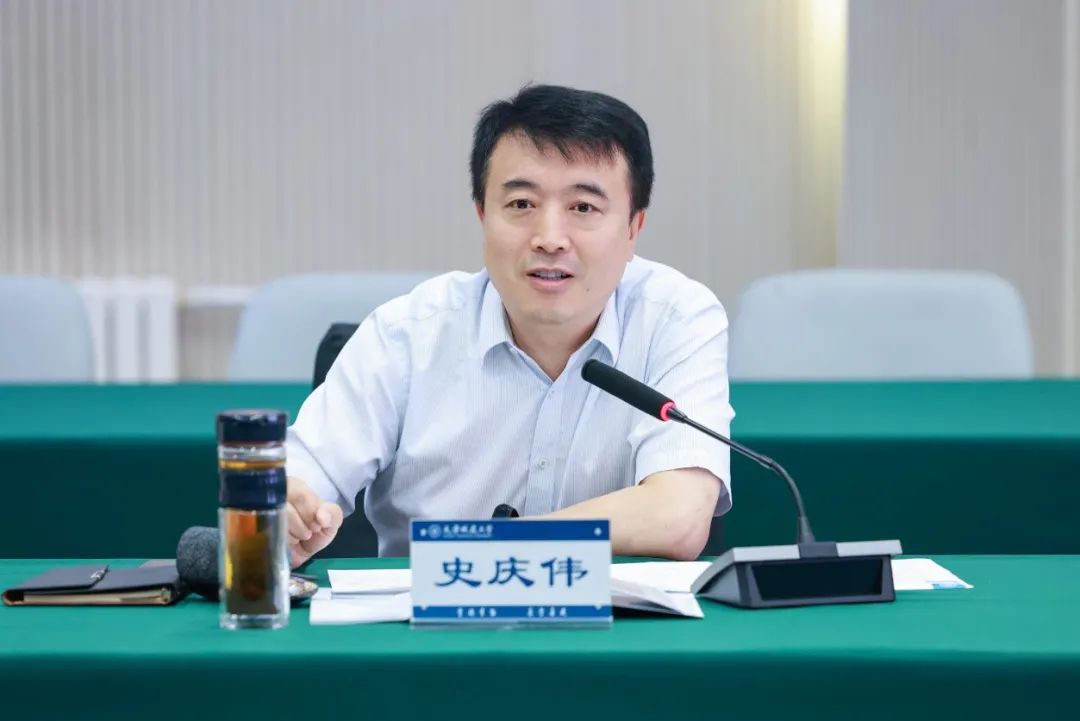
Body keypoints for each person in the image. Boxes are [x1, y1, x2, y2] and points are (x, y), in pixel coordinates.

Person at [285, 84, 734, 565]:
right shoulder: (405, 335)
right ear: (482, 214)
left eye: (583, 208)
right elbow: (294, 486)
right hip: (427, 615)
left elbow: (678, 517)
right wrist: (285, 518)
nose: (549, 239)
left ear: (633, 228)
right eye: (521, 204)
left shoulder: (675, 318)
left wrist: (486, 549)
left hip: (612, 615)